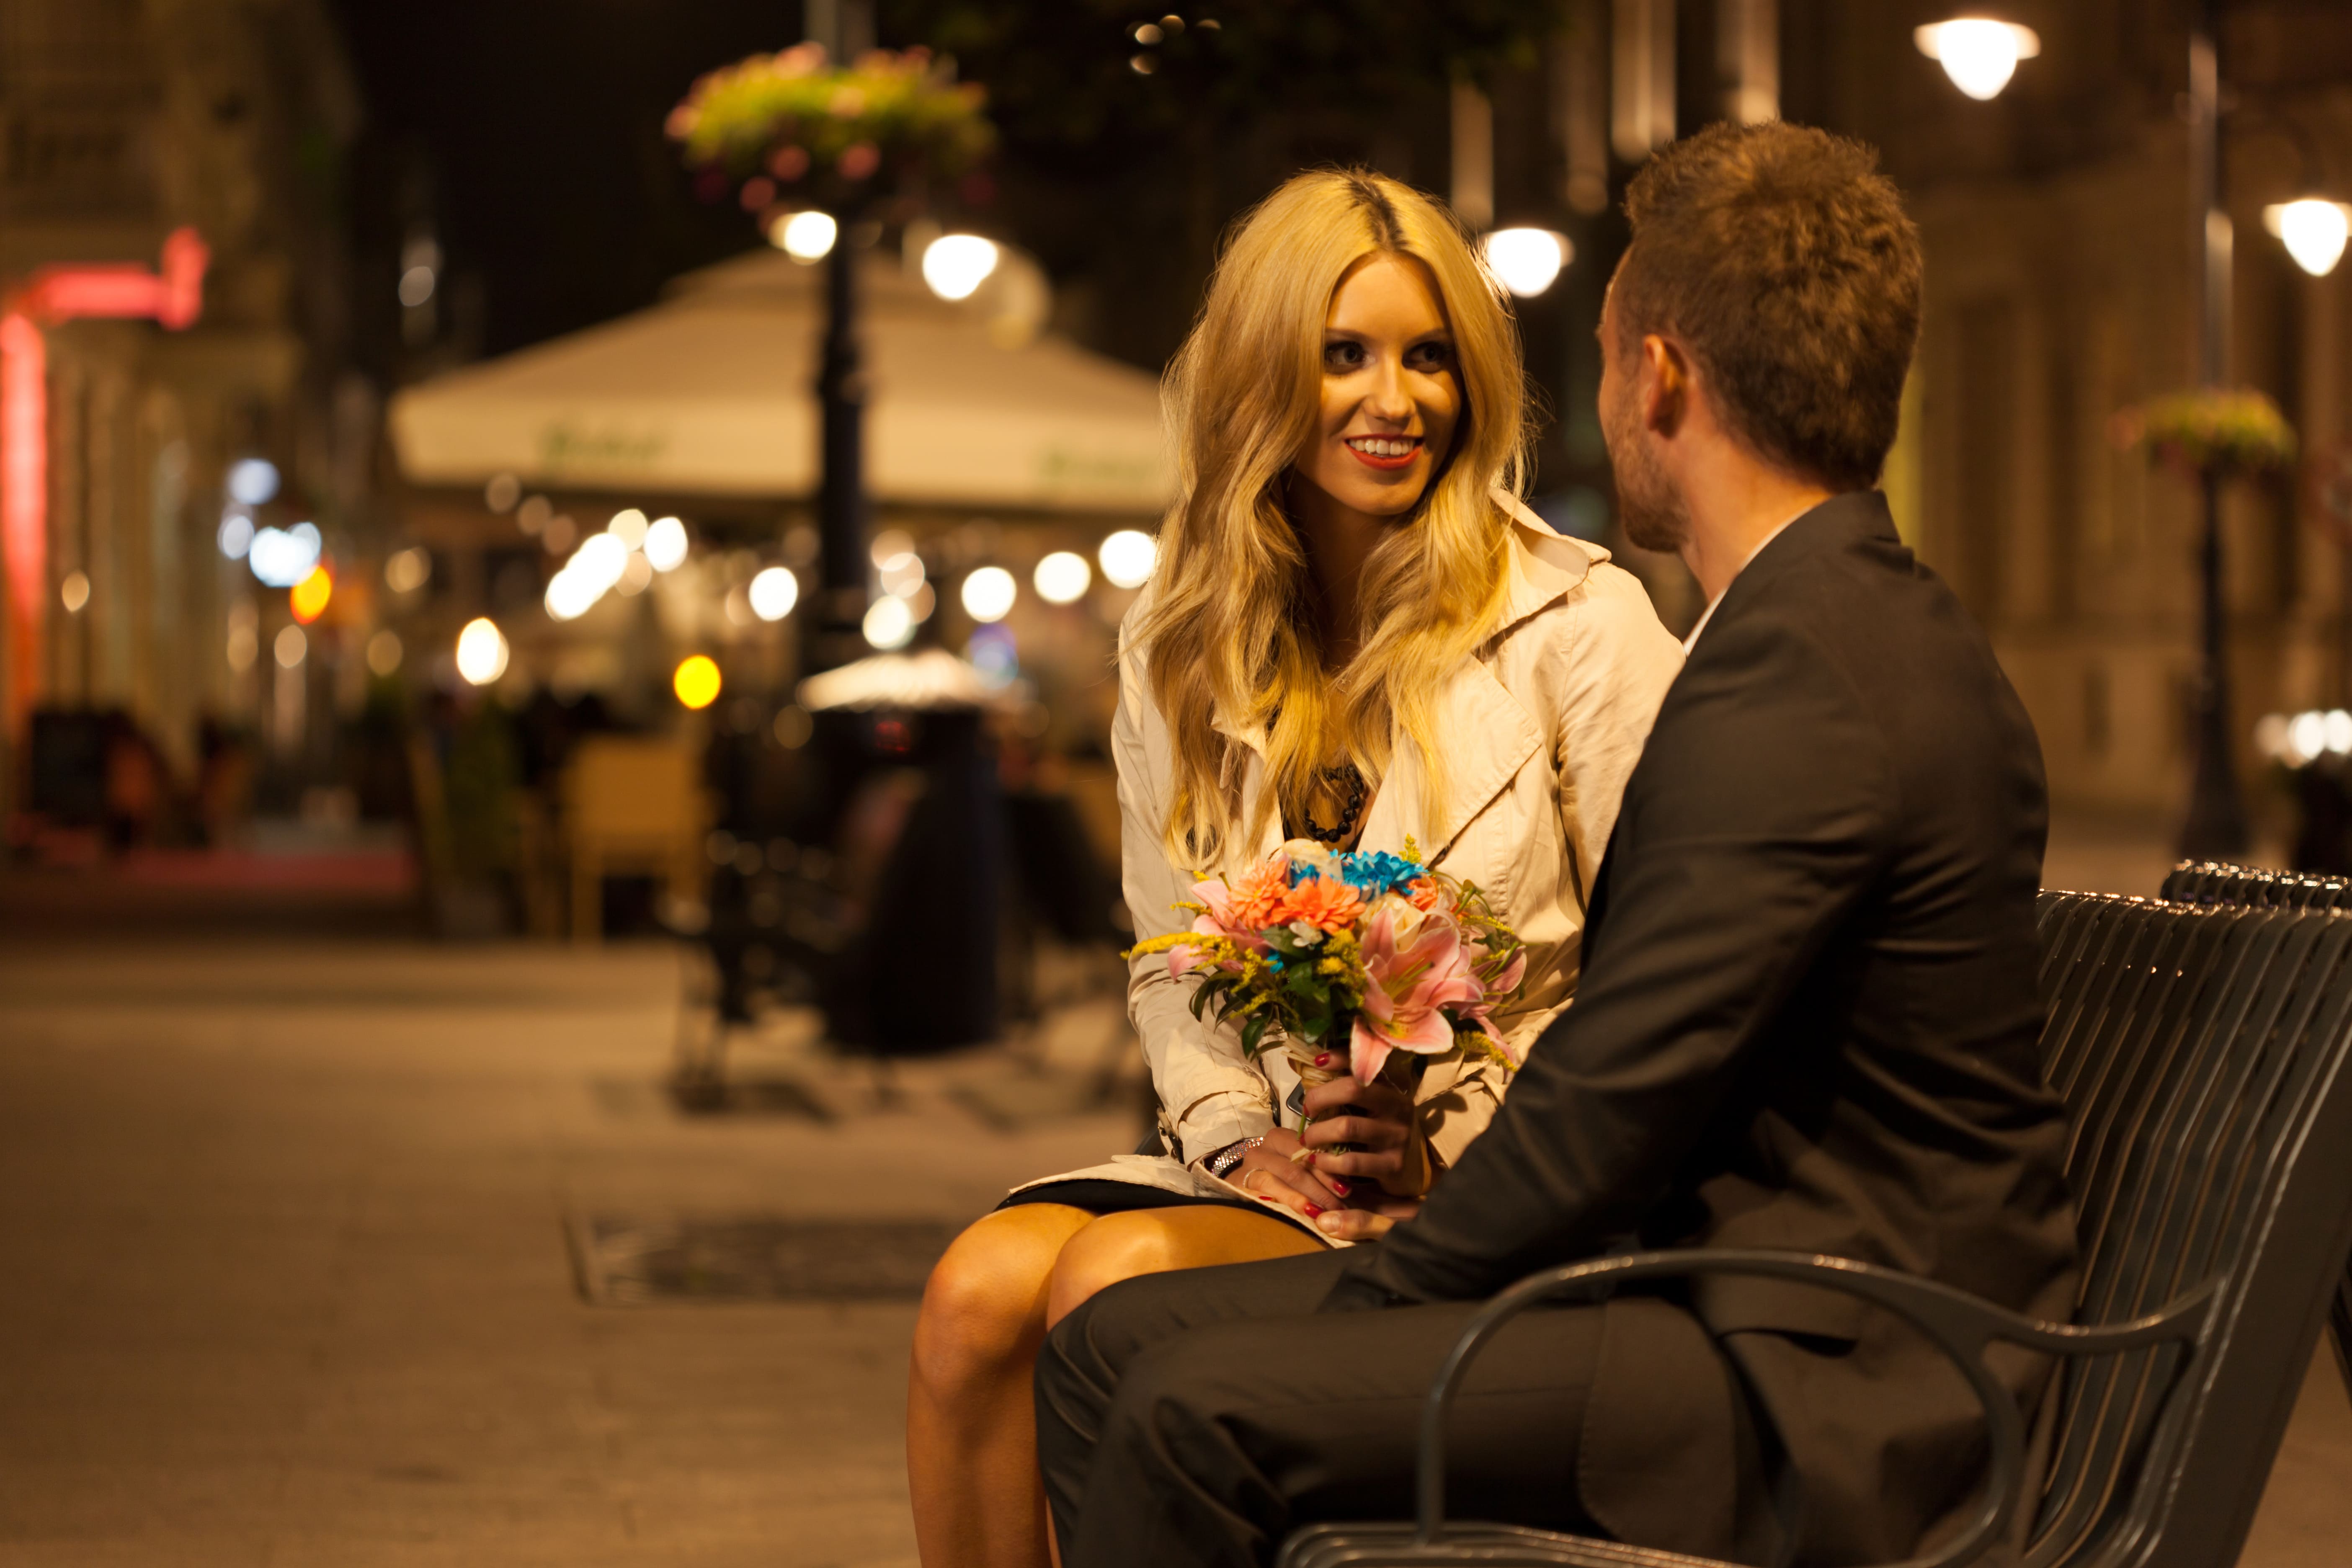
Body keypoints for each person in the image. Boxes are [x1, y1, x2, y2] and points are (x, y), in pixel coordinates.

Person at [1033, 121, 2082, 1568]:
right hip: (1763, 1299)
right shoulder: (1832, 628)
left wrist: (1380, 1301)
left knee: (1182, 1401)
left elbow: (1618, 1090)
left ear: (1656, 375)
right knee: (1109, 1348)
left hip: (1823, 1367)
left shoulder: (1800, 671)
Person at [907, 169, 1686, 1568]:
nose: (1395, 399)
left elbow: (1666, 977)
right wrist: (1229, 1139)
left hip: (1486, 1198)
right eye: (1345, 355)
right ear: (1266, 373)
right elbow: (1165, 967)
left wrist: (1454, 1145)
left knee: (1109, 1278)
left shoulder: (1581, 622)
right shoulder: (1179, 646)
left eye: (1428, 355)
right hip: (1271, 1176)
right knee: (972, 1304)